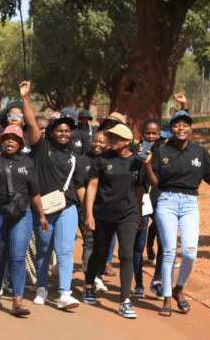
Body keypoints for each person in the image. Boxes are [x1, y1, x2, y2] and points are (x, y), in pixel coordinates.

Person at [144, 110, 210, 317]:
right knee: (169, 251)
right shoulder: (162, 152)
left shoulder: (199, 152)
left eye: (185, 124)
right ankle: (167, 297)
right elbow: (154, 183)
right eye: (176, 125)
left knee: (190, 253)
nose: (181, 128)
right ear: (171, 129)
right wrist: (147, 165)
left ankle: (179, 288)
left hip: (190, 203)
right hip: (166, 201)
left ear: (191, 129)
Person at [21, 83, 81, 310]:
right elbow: (31, 123)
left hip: (67, 208)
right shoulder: (40, 147)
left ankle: (65, 293)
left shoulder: (75, 154)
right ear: (52, 131)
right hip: (43, 209)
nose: (64, 133)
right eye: (59, 130)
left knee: (65, 251)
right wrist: (26, 97)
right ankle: (42, 289)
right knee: (44, 250)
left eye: (67, 130)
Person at [0, 125, 43, 315]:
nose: (10, 141)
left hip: (21, 214)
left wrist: (42, 215)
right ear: (1, 141)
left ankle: (17, 301)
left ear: (21, 143)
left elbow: (34, 192)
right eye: (7, 138)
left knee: (18, 257)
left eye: (15, 138)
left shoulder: (28, 162)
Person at [81, 124, 146, 319]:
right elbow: (92, 187)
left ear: (127, 142)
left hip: (129, 214)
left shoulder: (137, 162)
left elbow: (139, 190)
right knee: (99, 252)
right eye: (110, 137)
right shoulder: (101, 160)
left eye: (116, 138)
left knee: (126, 254)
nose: (111, 140)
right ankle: (89, 284)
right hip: (103, 213)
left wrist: (139, 214)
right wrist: (88, 214)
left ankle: (125, 301)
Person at [74, 131, 110, 292]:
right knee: (90, 241)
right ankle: (90, 278)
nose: (98, 145)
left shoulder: (110, 160)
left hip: (106, 209)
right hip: (86, 208)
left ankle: (98, 275)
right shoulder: (83, 161)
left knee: (104, 244)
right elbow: (79, 186)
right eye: (95, 141)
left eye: (102, 142)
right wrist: (87, 211)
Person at [133, 119, 165, 298]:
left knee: (163, 242)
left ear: (159, 135)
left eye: (154, 133)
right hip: (141, 201)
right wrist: (139, 158)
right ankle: (139, 283)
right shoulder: (134, 151)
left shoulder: (163, 151)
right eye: (148, 133)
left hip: (160, 201)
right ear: (142, 134)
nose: (151, 136)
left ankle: (157, 280)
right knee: (138, 244)